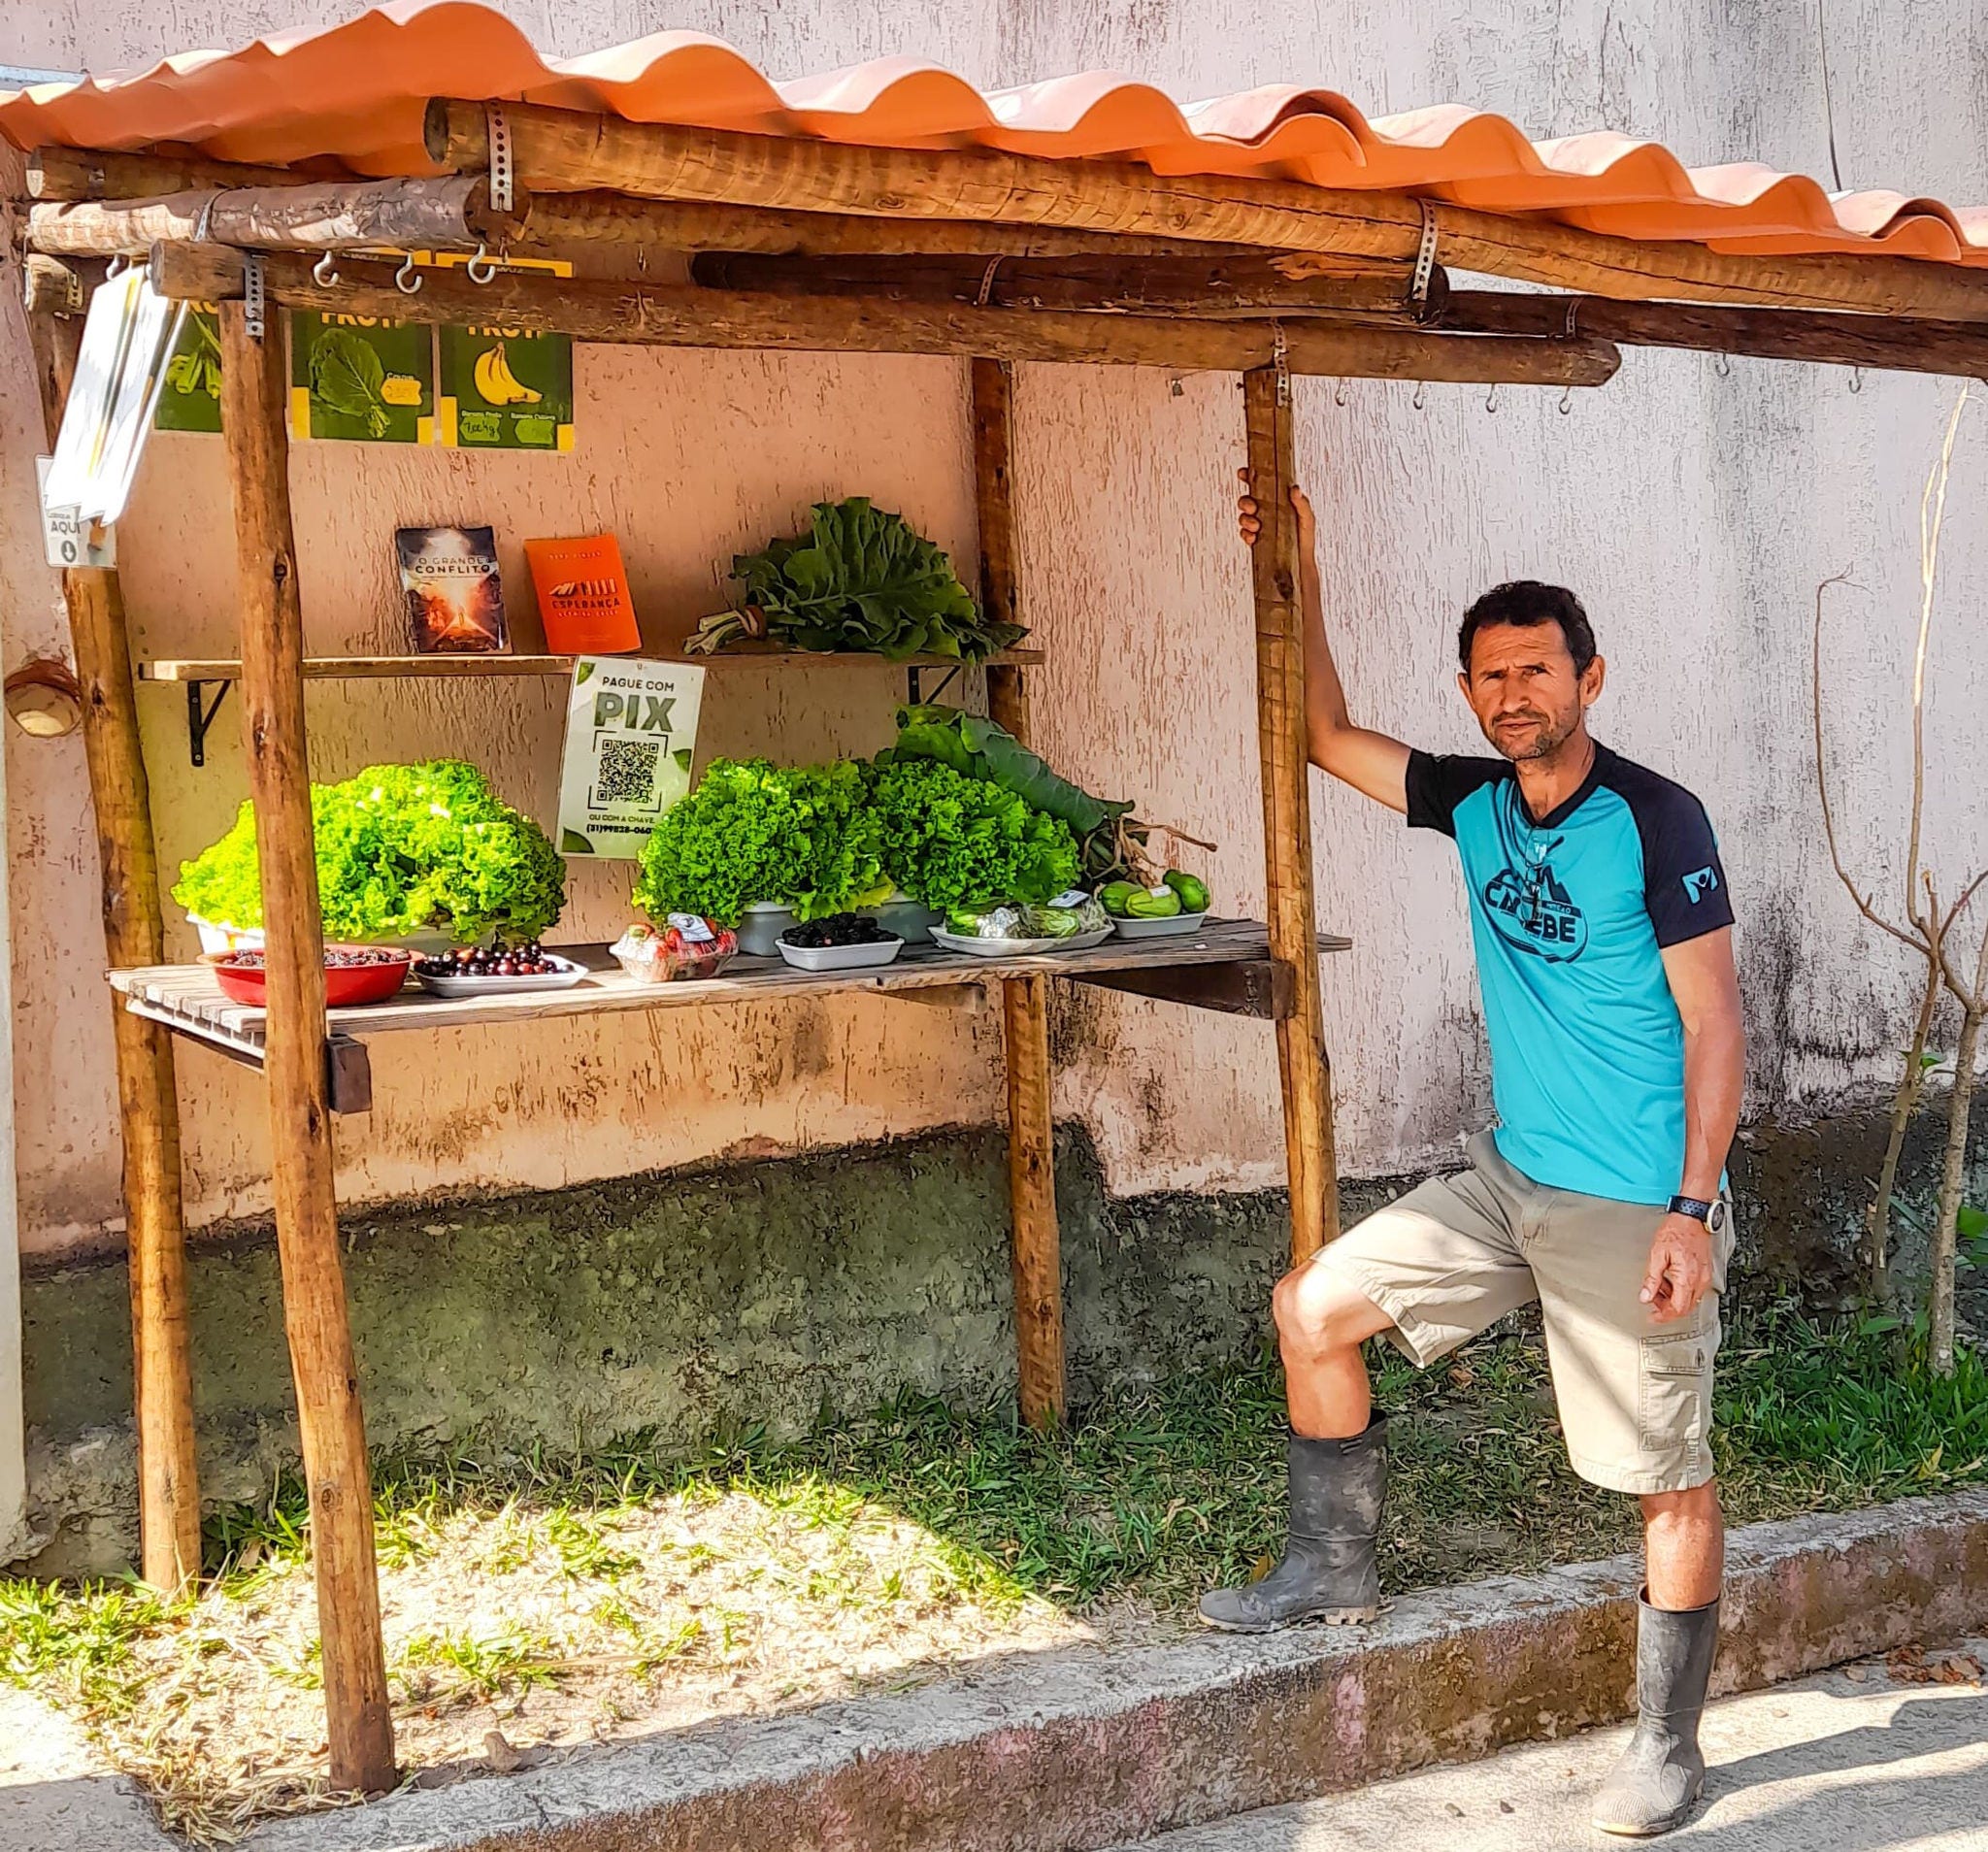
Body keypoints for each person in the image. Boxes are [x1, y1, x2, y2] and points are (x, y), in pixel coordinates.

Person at [1203, 473, 1745, 1839]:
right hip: (1510, 1180)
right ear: (1470, 694)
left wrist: (1691, 1206)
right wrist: (1306, 556)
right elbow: (1323, 733)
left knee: (1663, 1472)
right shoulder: (1471, 800)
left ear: (1589, 678)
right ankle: (1332, 1570)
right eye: (1491, 675)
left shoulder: (1656, 819)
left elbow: (1718, 1025)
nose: (1515, 693)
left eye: (1538, 670)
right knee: (1311, 1309)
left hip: (1631, 1197)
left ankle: (1667, 1746)